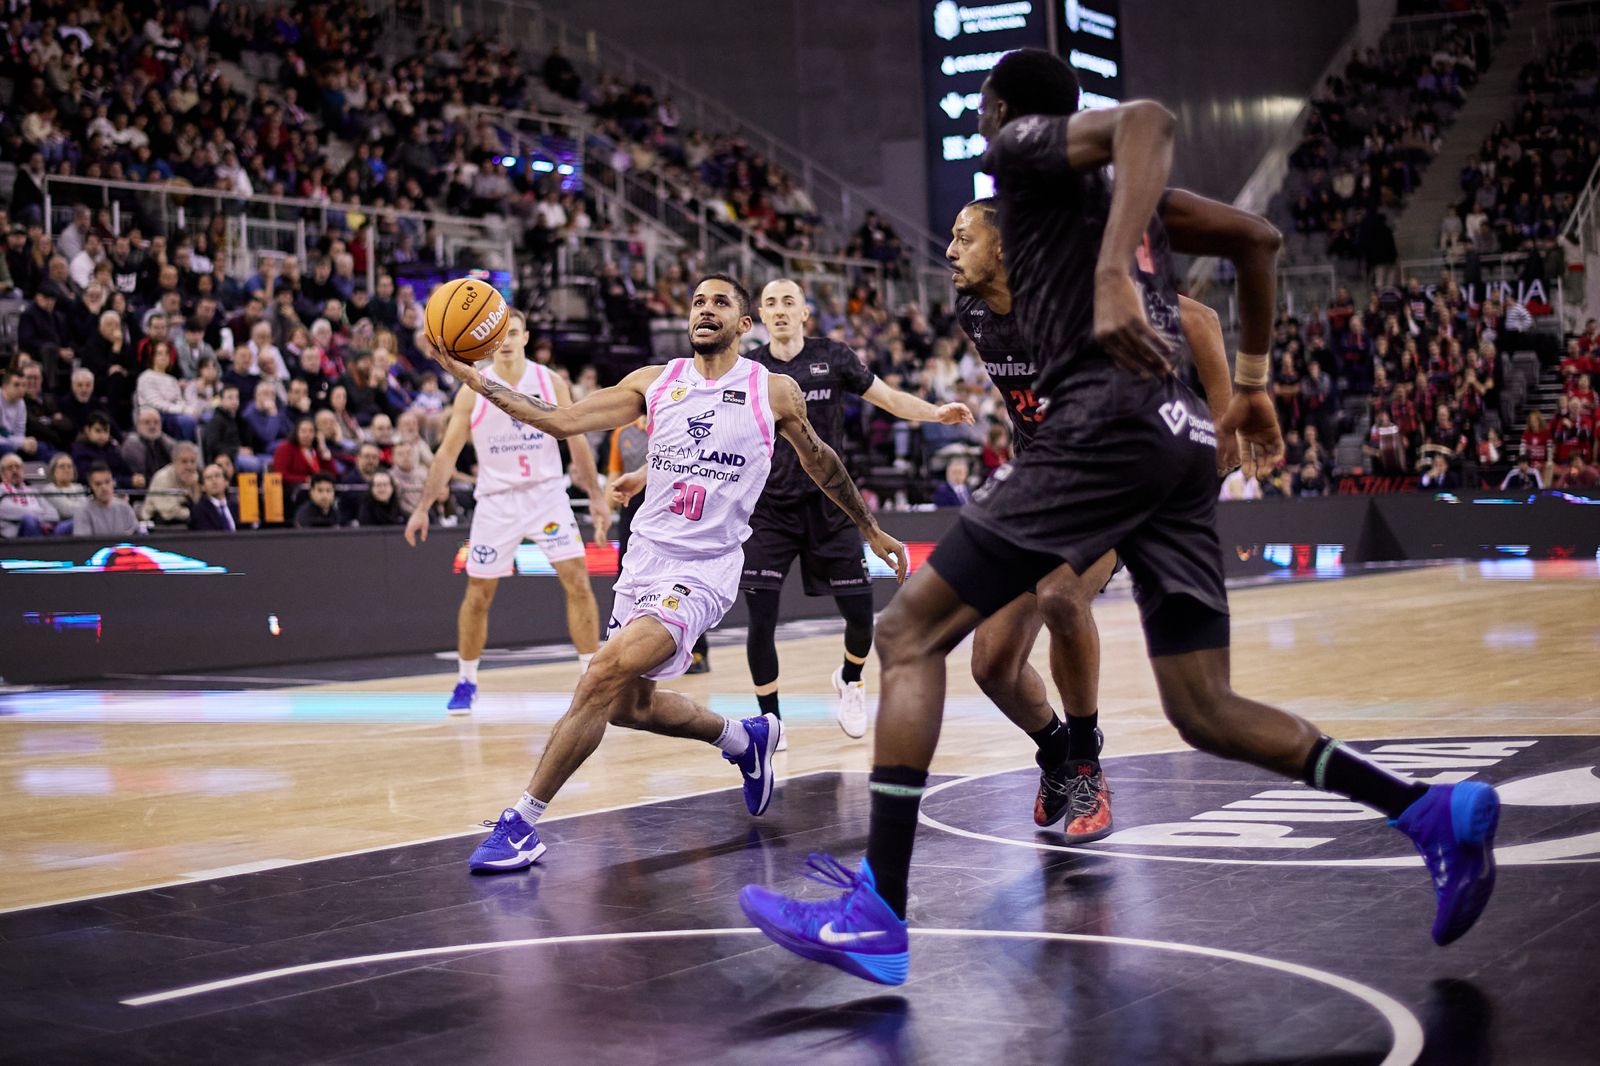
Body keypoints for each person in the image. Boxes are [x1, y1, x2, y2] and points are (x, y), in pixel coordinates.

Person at [740, 51, 1500, 985]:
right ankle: (1429, 812)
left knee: (906, 632)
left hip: (1105, 434)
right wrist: (1254, 390)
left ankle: (881, 911)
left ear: (1004, 112)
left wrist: (1112, 278)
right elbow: (1258, 240)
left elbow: (1146, 120)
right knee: (1204, 707)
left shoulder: (1021, 163)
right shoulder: (1100, 218)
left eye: (986, 114)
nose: (982, 134)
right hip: (1172, 445)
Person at [426, 274, 906, 874]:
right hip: (644, 561)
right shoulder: (656, 383)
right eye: (698, 301)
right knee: (628, 705)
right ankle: (742, 737)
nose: (705, 309)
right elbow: (561, 420)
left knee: (601, 673)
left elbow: (823, 463)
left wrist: (870, 529)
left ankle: (521, 821)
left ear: (743, 324)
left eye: (720, 303)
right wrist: (477, 378)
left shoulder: (772, 391)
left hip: (703, 571)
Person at [943, 197, 1237, 838]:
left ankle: (1085, 765)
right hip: (1049, 477)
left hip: (1124, 470)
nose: (949, 249)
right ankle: (1054, 753)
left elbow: (1204, 322)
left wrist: (1228, 417)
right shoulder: (971, 310)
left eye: (963, 237)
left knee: (1061, 594)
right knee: (991, 664)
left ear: (1004, 248)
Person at [738, 278, 973, 741]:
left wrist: (935, 412)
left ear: (805, 312)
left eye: (789, 302)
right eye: (771, 303)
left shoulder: (835, 357)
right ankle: (771, 722)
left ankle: (849, 679)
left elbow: (888, 398)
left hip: (832, 507)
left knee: (862, 615)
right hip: (769, 510)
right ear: (761, 317)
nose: (780, 310)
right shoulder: (748, 370)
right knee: (760, 618)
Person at [405, 309, 612, 713]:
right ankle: (466, 680)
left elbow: (578, 443)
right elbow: (447, 453)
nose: (507, 340)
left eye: (514, 333)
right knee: (479, 593)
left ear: (525, 336)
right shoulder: (472, 389)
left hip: (546, 495)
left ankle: (591, 675)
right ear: (490, 340)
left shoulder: (549, 382)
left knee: (578, 580)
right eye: (501, 335)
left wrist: (596, 496)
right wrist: (423, 506)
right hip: (497, 502)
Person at [141, 442, 202, 526]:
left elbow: (197, 504)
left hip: (185, 521)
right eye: (184, 461)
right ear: (174, 462)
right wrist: (198, 514)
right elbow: (169, 513)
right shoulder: (162, 478)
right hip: (158, 523)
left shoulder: (195, 477)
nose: (189, 466)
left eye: (193, 461)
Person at [0, 451, 55, 536]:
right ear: (3, 473)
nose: (14, 470)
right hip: (14, 536)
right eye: (10, 468)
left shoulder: (33, 491)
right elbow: (7, 510)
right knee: (28, 519)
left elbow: (53, 513)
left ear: (23, 471)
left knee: (70, 524)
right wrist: (40, 513)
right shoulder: (1, 490)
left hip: (42, 529)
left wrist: (36, 516)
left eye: (17, 467)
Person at [76, 463, 139, 537]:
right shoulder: (83, 512)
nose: (104, 488)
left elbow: (136, 538)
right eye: (98, 484)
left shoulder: (125, 507)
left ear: (113, 482)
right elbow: (83, 545)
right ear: (91, 487)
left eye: (107, 482)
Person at [41, 452, 89, 531]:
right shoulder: (50, 489)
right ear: (53, 471)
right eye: (62, 467)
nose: (67, 470)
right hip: (60, 527)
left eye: (69, 466)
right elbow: (66, 511)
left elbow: (87, 509)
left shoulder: (79, 488)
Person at [190, 463, 238, 531]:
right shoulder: (199, 510)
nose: (214, 480)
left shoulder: (237, 507)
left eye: (217, 476)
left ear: (226, 482)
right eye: (209, 478)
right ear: (203, 487)